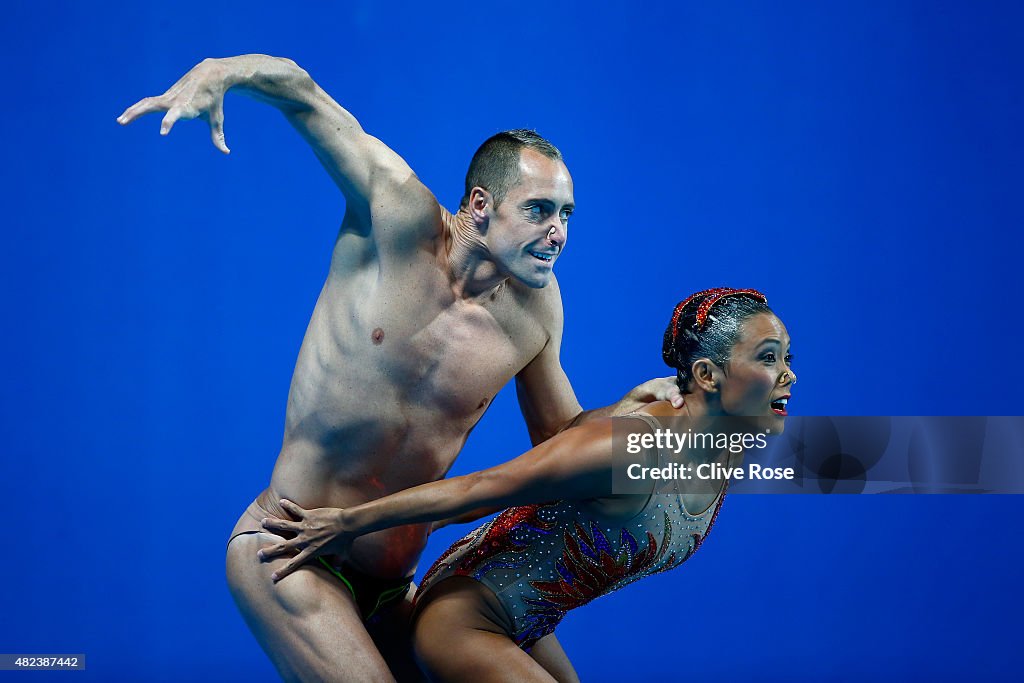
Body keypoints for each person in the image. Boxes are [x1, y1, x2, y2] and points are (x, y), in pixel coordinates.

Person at [117, 54, 682, 682]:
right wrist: (222, 70)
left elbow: (557, 440)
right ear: (481, 204)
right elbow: (302, 93)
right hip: (290, 551)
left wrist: (621, 412)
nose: (558, 234)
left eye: (567, 214)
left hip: (395, 585)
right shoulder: (395, 213)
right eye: (540, 211)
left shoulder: (537, 311)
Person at [258, 287, 797, 682]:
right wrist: (346, 523)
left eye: (787, 358)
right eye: (768, 358)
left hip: (530, 626)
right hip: (463, 620)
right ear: (706, 375)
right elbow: (480, 489)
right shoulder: (632, 448)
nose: (788, 375)